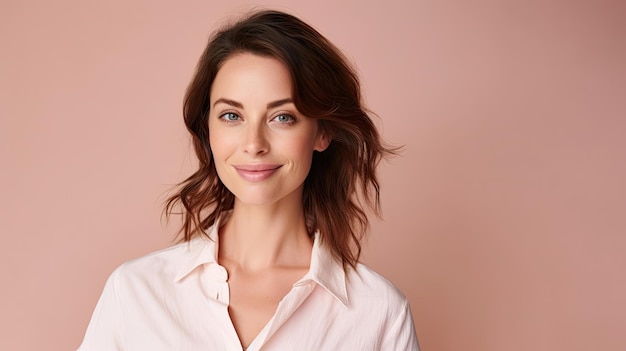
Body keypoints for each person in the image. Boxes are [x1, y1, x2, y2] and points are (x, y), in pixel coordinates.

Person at [78, 9, 419, 351]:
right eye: (232, 116)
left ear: (322, 132)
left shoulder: (379, 312)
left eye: (282, 117)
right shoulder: (136, 292)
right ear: (208, 129)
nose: (254, 144)